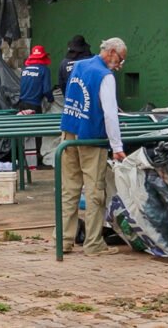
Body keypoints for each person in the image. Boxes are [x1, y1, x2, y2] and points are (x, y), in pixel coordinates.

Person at [60, 37, 127, 256]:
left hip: (69, 132)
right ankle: (93, 243)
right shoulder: (104, 76)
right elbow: (110, 114)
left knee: (69, 189)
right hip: (91, 137)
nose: (119, 66)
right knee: (94, 191)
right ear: (112, 52)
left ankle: (63, 240)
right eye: (120, 60)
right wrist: (117, 146)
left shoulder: (79, 66)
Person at [19, 45, 54, 165]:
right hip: (34, 105)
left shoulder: (25, 69)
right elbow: (46, 90)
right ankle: (37, 161)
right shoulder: (44, 70)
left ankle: (25, 161)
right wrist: (51, 99)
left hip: (22, 104)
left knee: (25, 133)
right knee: (37, 133)